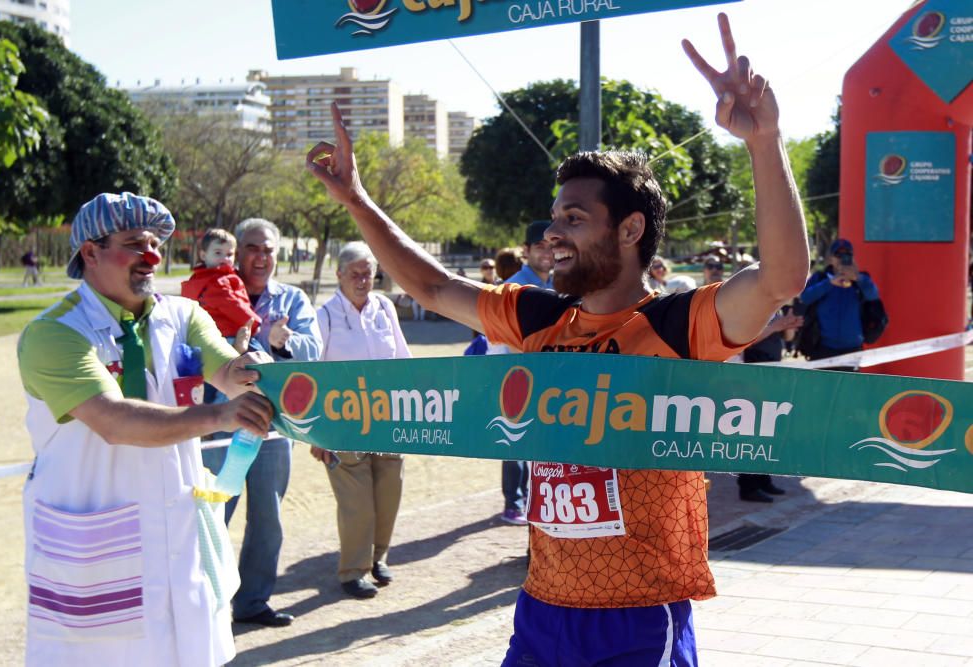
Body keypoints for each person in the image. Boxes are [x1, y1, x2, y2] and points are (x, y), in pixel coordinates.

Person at [305, 13, 808, 664]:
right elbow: (430, 289)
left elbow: (780, 278)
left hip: (637, 619)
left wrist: (764, 140)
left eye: (574, 217)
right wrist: (356, 200)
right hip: (542, 610)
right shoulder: (539, 317)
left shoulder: (677, 325)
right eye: (553, 217)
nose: (552, 233)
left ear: (629, 231)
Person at [17, 192, 274, 666]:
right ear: (90, 253)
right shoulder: (55, 334)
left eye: (156, 243)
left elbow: (229, 372)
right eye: (135, 244)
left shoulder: (184, 316)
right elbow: (114, 421)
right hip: (93, 546)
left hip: (180, 534)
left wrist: (260, 371)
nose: (152, 257)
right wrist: (218, 416)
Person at [201, 217, 323, 627]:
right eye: (252, 247)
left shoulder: (291, 300)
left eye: (269, 249)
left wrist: (282, 341)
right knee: (214, 512)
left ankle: (252, 602)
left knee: (267, 519)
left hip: (274, 429)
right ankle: (203, 602)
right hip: (221, 423)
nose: (261, 257)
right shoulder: (214, 295)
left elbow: (314, 353)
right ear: (238, 251)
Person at [310, 241, 410, 599]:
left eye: (369, 273)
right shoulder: (323, 317)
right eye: (356, 273)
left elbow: (402, 359)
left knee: (388, 494)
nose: (364, 280)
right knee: (357, 504)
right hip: (343, 424)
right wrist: (317, 432)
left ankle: (378, 558)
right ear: (339, 276)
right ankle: (353, 571)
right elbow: (313, 376)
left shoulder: (384, 308)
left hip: (388, 420)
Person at [493, 220, 554, 526]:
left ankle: (532, 502)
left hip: (550, 384)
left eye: (551, 245)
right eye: (540, 246)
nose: (546, 252)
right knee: (516, 442)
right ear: (526, 250)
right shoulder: (514, 288)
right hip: (519, 379)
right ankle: (513, 503)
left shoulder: (560, 284)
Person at [736, 309, 803, 502]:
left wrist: (788, 325)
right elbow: (744, 341)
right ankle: (748, 486)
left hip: (772, 371)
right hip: (754, 370)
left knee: (767, 429)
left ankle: (763, 479)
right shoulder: (752, 306)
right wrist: (776, 326)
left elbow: (786, 336)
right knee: (751, 430)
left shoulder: (777, 306)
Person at [799, 238, 880, 368]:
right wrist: (830, 283)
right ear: (831, 258)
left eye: (847, 254)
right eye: (838, 254)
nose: (843, 258)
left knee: (849, 388)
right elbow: (805, 297)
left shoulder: (861, 280)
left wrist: (857, 277)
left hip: (853, 349)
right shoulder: (821, 278)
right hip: (823, 348)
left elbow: (874, 295)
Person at [181, 228, 261, 354]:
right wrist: (254, 323)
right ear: (203, 255)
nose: (224, 258)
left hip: (208, 337)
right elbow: (231, 305)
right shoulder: (218, 281)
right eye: (218, 253)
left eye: (229, 254)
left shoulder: (196, 280)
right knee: (262, 358)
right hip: (230, 335)